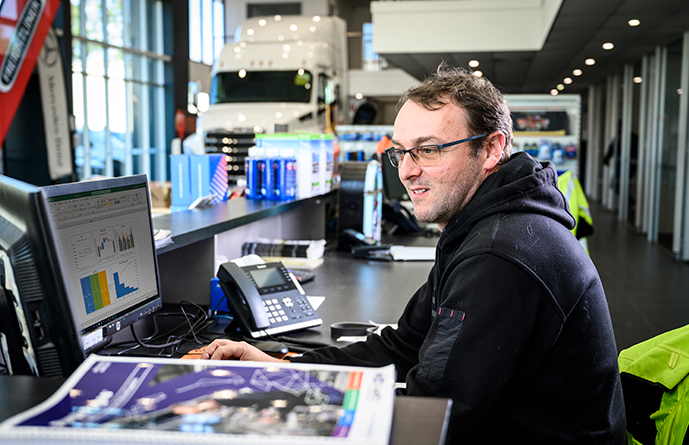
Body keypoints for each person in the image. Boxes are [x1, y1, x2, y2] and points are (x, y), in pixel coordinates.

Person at [201, 64, 626, 443]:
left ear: (492, 149)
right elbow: (403, 348)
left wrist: (282, 409)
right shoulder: (479, 226)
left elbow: (431, 414)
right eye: (401, 151)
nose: (406, 170)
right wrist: (283, 367)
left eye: (429, 149)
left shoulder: (500, 253)